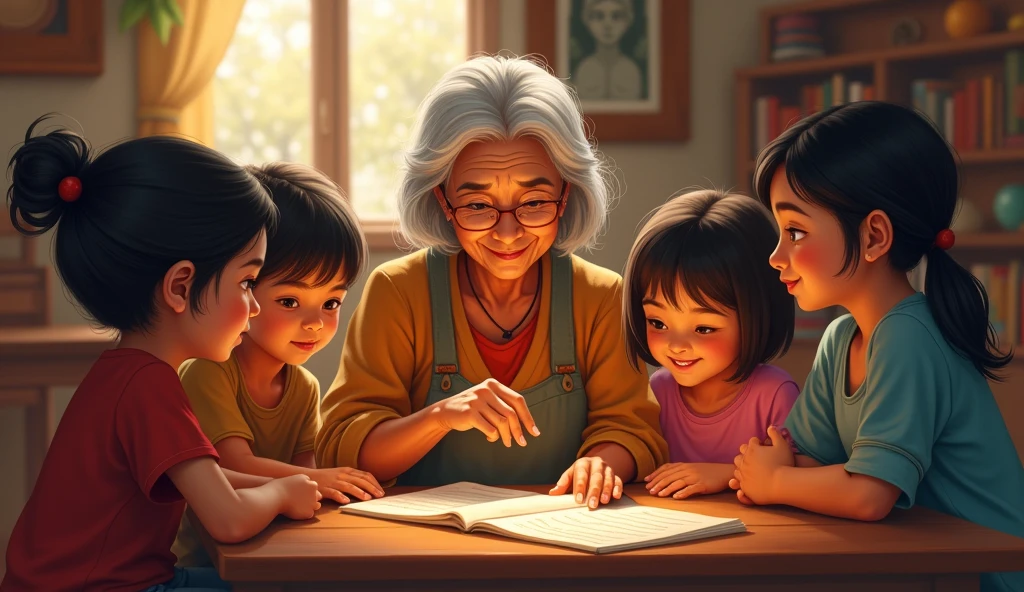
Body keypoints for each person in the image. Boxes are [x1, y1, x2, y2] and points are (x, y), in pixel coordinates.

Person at [315, 55, 667, 510]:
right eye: (478, 206)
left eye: (534, 201)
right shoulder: (398, 291)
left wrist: (602, 463)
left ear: (567, 195)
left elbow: (630, 429)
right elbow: (347, 447)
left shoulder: (601, 296)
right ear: (441, 198)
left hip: (564, 541)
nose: (507, 233)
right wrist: (441, 416)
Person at [1, 116, 321, 592]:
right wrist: (279, 494)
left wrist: (292, 485)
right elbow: (228, 520)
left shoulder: (127, 371)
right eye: (247, 282)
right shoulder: (150, 386)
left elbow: (206, 480)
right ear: (180, 286)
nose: (254, 307)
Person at [731, 101, 1024, 592]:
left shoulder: (908, 337)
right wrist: (762, 470)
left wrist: (775, 482)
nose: (775, 256)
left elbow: (868, 494)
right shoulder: (841, 338)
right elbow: (807, 459)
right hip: (924, 566)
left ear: (874, 236)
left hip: (989, 579)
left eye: (796, 231)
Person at [171, 163, 383, 568]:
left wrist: (330, 486)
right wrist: (320, 480)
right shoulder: (207, 372)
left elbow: (305, 477)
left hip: (277, 551)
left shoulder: (303, 386)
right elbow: (233, 465)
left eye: (331, 303)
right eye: (289, 301)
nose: (315, 323)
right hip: (210, 562)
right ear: (246, 288)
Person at [621, 189, 798, 500]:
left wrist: (726, 474)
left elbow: (797, 474)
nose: (677, 346)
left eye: (703, 328)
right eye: (657, 323)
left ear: (757, 313)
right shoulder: (658, 392)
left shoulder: (774, 395)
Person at [573, 0, 643, 101]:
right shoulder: (583, 70)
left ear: (628, 20)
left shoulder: (632, 71)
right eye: (599, 16)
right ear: (586, 19)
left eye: (616, 16)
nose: (607, 25)